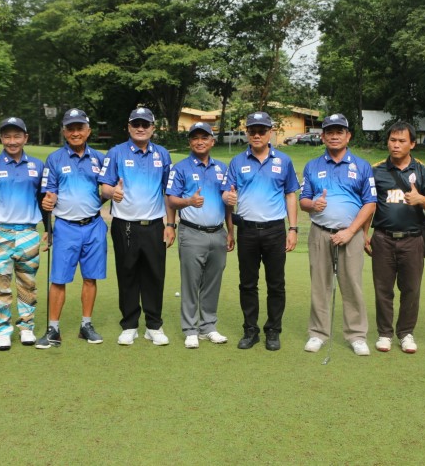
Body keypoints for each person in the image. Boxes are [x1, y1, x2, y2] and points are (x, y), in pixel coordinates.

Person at [222, 111, 300, 351]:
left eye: (261, 131)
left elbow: (290, 195)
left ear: (270, 133)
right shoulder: (237, 162)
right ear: (247, 133)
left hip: (275, 230)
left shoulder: (283, 161)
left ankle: (273, 330)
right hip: (246, 230)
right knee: (247, 284)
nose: (257, 135)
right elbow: (227, 194)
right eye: (252, 131)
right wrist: (227, 199)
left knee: (276, 284)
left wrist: (293, 228)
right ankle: (250, 330)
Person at [299, 114, 377, 356]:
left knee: (352, 284)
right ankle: (318, 333)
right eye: (329, 132)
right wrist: (313, 205)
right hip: (320, 232)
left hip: (351, 234)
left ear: (348, 136)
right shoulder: (312, 166)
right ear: (322, 137)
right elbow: (303, 200)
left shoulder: (362, 166)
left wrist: (351, 231)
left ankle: (357, 335)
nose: (334, 136)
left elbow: (370, 203)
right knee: (320, 284)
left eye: (339, 132)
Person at [99, 107, 175, 346]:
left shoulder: (162, 154)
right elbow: (104, 186)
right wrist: (113, 192)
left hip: (154, 225)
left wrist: (170, 224)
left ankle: (154, 325)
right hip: (125, 225)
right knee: (127, 274)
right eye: (136, 124)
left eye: (145, 124)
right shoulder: (116, 153)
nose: (140, 128)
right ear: (129, 127)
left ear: (153, 128)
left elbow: (169, 192)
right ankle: (129, 325)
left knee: (154, 275)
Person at [35, 109, 108, 349]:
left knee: (90, 278)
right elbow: (49, 192)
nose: (76, 133)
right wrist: (49, 202)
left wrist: (98, 201)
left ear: (88, 131)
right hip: (66, 227)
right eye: (71, 129)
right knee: (58, 279)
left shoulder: (99, 158)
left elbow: (106, 189)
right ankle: (53, 329)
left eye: (80, 128)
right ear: (64, 132)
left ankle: (86, 325)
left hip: (94, 225)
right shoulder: (55, 159)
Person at [365, 121, 425, 354]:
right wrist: (364, 234)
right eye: (392, 140)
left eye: (401, 141)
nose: (396, 145)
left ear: (412, 144)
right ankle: (384, 333)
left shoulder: (423, 170)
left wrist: (421, 200)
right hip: (383, 238)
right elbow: (368, 204)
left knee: (411, 289)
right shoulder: (375, 170)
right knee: (383, 289)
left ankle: (406, 333)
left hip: (413, 239)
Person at [0, 117, 45, 351]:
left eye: (17, 136)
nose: (12, 141)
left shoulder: (38, 166)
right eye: (7, 136)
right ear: (1, 138)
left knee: (27, 284)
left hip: (28, 233)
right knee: (0, 285)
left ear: (26, 138)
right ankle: (2, 331)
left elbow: (44, 200)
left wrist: (49, 230)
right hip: (0, 233)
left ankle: (26, 327)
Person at [165, 122, 234, 349]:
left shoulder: (222, 168)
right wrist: (189, 201)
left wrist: (230, 231)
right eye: (195, 138)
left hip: (218, 232)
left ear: (212, 141)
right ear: (190, 142)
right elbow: (171, 199)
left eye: (204, 137)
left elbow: (228, 204)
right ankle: (190, 329)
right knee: (191, 282)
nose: (200, 142)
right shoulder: (180, 168)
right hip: (192, 232)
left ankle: (208, 327)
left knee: (212, 282)